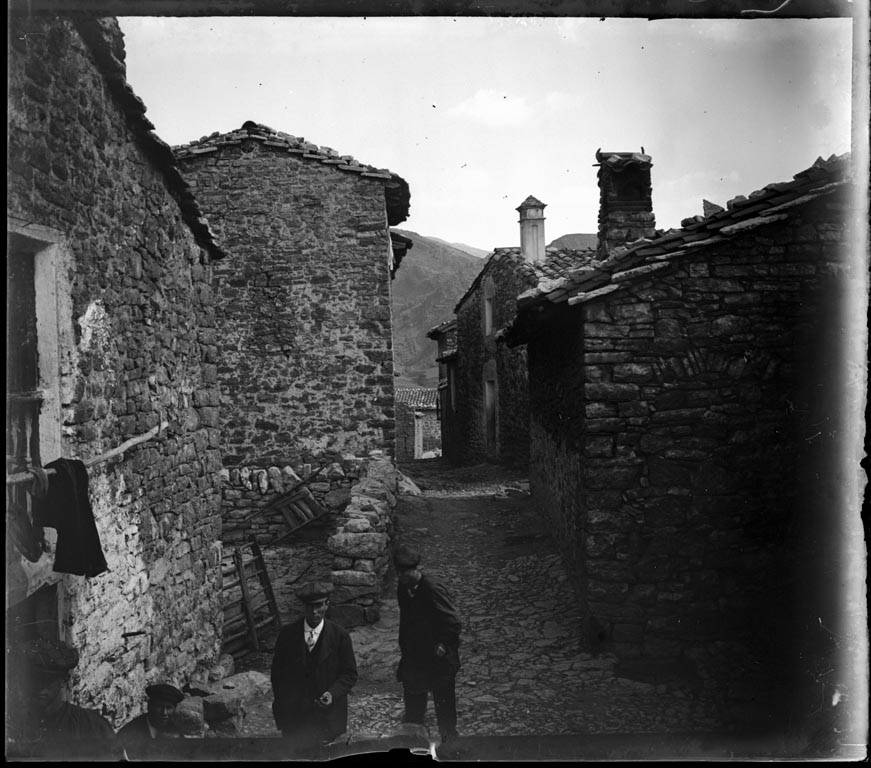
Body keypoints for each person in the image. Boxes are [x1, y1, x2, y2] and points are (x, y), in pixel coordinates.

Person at [270, 581, 358, 751]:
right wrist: (285, 704)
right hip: (295, 718)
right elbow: (277, 674)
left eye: (319, 606)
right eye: (309, 606)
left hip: (327, 718)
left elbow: (349, 674)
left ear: (327, 604)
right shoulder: (287, 635)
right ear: (304, 607)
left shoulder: (340, 636)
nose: (314, 611)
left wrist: (332, 693)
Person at [394, 544, 461, 744]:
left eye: (405, 573)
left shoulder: (432, 588)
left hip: (437, 659)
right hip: (415, 657)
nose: (401, 577)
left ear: (415, 570)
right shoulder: (403, 588)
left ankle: (449, 745)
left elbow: (453, 622)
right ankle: (414, 744)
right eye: (399, 573)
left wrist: (443, 644)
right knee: (413, 707)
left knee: (444, 706)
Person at [12, 637, 116, 744]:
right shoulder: (15, 726)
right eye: (34, 680)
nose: (40, 687)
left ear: (63, 680)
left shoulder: (91, 726)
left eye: (48, 680)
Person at [116, 683, 185, 745]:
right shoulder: (129, 733)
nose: (164, 712)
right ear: (149, 706)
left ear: (175, 709)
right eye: (159, 706)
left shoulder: (178, 730)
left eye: (169, 708)